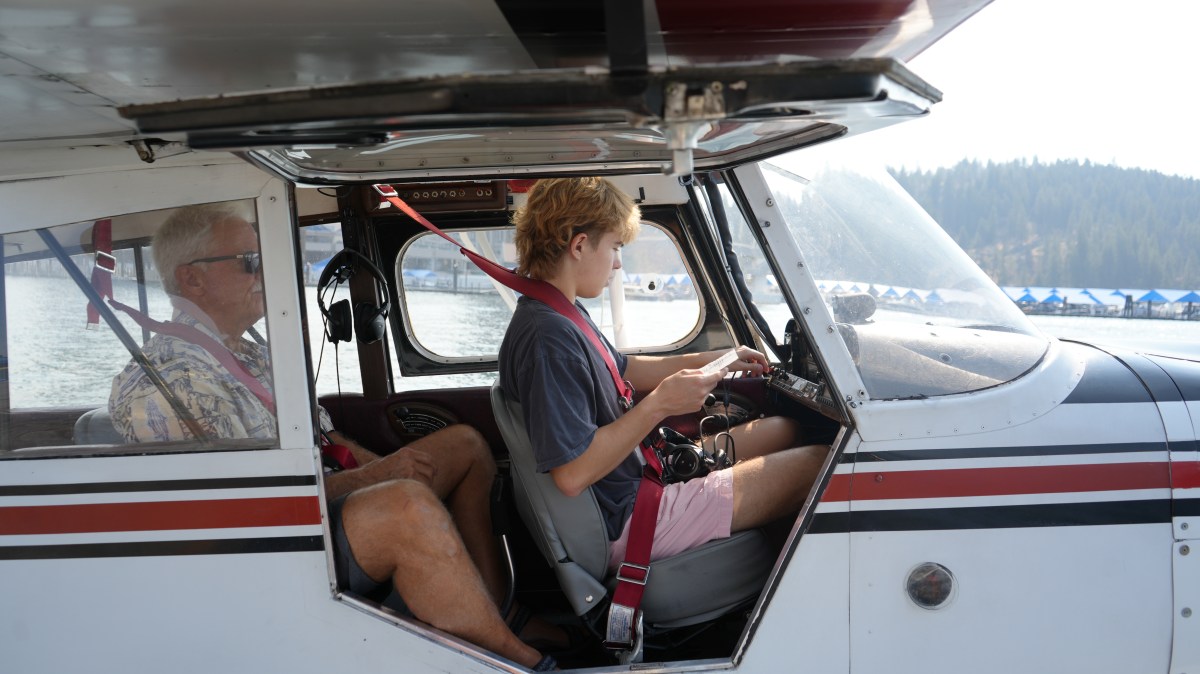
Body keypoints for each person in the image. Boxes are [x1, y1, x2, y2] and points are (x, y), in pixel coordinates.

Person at [109, 203, 556, 671]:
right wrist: (380, 477)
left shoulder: (251, 351)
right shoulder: (167, 383)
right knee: (405, 506)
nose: (264, 273)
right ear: (192, 280)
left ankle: (498, 616)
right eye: (249, 262)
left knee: (464, 445)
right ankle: (516, 662)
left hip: (318, 508)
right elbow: (240, 512)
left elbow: (324, 435)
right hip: (274, 550)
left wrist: (370, 465)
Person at [498, 177, 827, 576]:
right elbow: (572, 475)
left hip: (641, 476)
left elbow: (626, 369)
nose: (618, 263)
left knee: (785, 429)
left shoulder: (560, 313)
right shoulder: (548, 338)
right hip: (631, 518)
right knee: (819, 463)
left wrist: (722, 359)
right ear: (579, 245)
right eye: (615, 247)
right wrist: (658, 406)